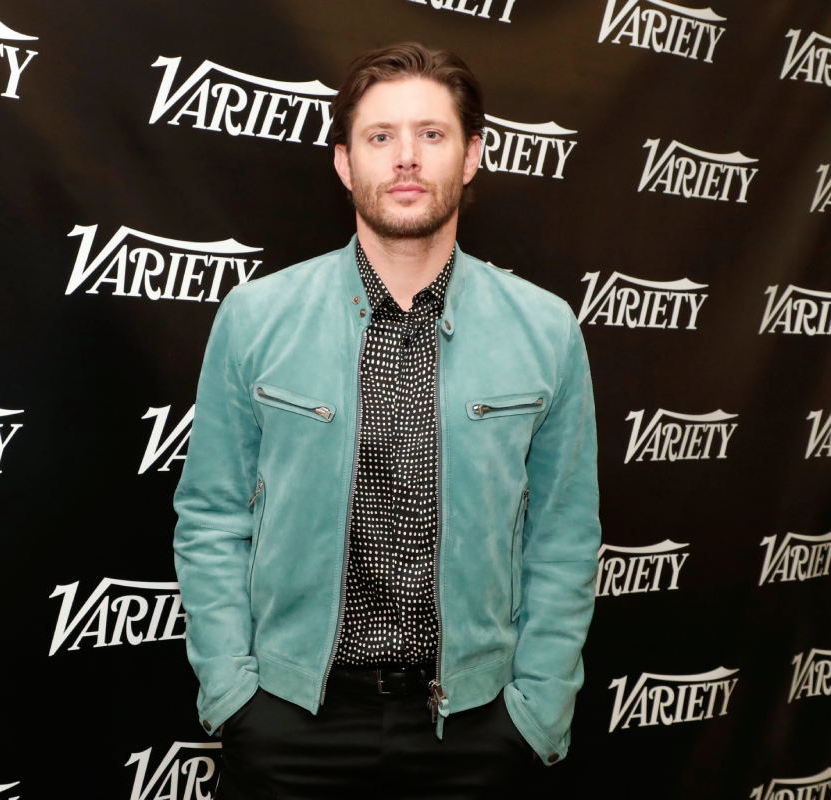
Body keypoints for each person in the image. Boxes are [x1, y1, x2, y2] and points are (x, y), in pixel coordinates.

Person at [173, 42, 600, 799]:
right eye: (380, 137)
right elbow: (210, 516)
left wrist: (536, 711)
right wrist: (233, 696)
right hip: (291, 720)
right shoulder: (256, 318)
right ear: (344, 163)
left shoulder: (546, 330)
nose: (406, 158)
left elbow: (563, 538)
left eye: (432, 135)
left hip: (475, 726)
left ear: (472, 155)